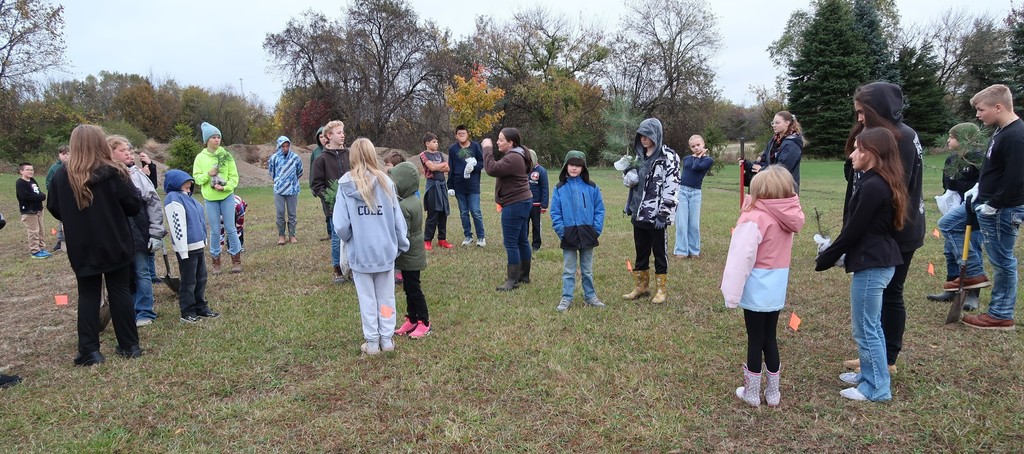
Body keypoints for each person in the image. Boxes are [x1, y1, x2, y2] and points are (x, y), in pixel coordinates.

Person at [816, 127, 908, 402]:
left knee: (866, 327)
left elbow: (854, 230)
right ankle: (868, 374)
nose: (853, 154)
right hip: (874, 260)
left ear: (872, 153)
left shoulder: (873, 186)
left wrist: (828, 255)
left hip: (873, 265)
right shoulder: (876, 181)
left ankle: (877, 387)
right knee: (869, 325)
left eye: (858, 149)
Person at [842, 82, 924, 375]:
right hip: (884, 230)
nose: (860, 119)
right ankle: (874, 356)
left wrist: (855, 234)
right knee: (880, 296)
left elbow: (887, 190)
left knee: (890, 294)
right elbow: (851, 173)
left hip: (896, 230)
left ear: (878, 109)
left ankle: (886, 359)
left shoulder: (898, 138)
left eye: (863, 113)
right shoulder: (880, 134)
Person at [47, 124, 144, 366]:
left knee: (88, 293)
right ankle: (129, 345)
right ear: (101, 143)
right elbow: (133, 205)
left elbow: (55, 208)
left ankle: (90, 350)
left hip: (83, 246)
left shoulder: (63, 175)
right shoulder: (114, 172)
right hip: (116, 242)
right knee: (119, 290)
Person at [721, 166, 804, 407]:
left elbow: (740, 259)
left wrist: (731, 293)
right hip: (776, 288)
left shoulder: (753, 218)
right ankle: (773, 393)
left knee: (755, 339)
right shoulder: (786, 217)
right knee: (770, 337)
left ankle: (751, 393)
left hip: (756, 287)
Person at [333, 138, 409, 355]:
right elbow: (397, 220)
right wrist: (401, 244)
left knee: (367, 299)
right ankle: (386, 340)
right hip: (384, 251)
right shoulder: (386, 182)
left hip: (360, 253)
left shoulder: (345, 184)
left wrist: (351, 239)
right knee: (386, 298)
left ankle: (373, 342)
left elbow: (340, 225)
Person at [959, 84, 1024, 330]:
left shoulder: (1016, 135)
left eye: (981, 109)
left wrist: (995, 204)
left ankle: (1001, 314)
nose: (977, 114)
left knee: (1003, 260)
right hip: (984, 201)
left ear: (998, 107)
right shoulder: (1000, 131)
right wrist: (979, 187)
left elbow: (1017, 176)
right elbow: (995, 168)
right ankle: (974, 274)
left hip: (1002, 209)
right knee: (950, 224)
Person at [622, 118, 680, 304]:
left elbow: (672, 186)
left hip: (656, 216)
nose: (643, 139)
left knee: (659, 253)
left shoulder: (668, 157)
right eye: (641, 135)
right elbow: (634, 184)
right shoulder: (639, 157)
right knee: (641, 251)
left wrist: (664, 213)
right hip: (639, 213)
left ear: (656, 135)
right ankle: (641, 287)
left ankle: (661, 290)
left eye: (647, 135)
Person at [109, 135, 165, 327]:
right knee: (126, 275)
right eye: (123, 150)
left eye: (129, 151)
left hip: (139, 234)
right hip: (117, 237)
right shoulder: (106, 176)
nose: (128, 154)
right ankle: (129, 310)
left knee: (142, 272)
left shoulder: (137, 175)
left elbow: (154, 203)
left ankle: (145, 311)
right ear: (110, 152)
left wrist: (156, 232)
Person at [929, 122, 985, 308]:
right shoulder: (951, 159)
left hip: (971, 213)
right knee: (950, 251)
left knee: (971, 249)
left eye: (952, 137)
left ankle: (973, 294)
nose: (948, 140)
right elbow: (947, 184)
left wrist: (959, 186)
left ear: (964, 139)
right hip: (954, 210)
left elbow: (979, 187)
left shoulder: (978, 159)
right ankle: (952, 288)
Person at [550, 150, 605, 311]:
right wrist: (562, 231)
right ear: (566, 166)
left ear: (583, 168)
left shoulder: (592, 187)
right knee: (569, 270)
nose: (574, 168)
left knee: (587, 270)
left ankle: (590, 296)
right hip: (569, 234)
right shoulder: (559, 188)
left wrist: (596, 230)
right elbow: (555, 212)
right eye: (571, 165)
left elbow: (599, 209)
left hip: (588, 233)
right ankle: (566, 297)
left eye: (578, 165)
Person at [164, 169, 220, 324]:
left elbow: (200, 221)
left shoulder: (190, 199)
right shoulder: (173, 198)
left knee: (201, 278)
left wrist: (204, 241)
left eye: (190, 187)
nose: (189, 190)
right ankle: (187, 311)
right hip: (186, 248)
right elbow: (177, 225)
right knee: (189, 281)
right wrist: (182, 249)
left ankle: (200, 306)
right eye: (186, 186)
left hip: (198, 246)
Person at [483, 128, 534, 291]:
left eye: (501, 139)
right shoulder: (519, 154)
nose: (498, 142)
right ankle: (524, 275)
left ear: (510, 143)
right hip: (524, 201)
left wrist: (487, 149)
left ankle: (512, 281)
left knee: (511, 242)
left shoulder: (513, 157)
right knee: (521, 240)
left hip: (515, 203)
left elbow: (491, 169)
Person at [192, 122, 243, 274]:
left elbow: (234, 178)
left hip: (226, 196)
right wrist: (208, 174)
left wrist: (225, 187)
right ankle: (216, 262)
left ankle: (236, 260)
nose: (216, 140)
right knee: (215, 230)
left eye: (218, 137)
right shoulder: (200, 158)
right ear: (207, 140)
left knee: (230, 228)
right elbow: (197, 179)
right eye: (213, 137)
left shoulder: (226, 156)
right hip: (210, 199)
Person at [391, 161, 431, 338]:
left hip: (410, 255)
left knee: (414, 289)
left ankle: (424, 322)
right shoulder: (413, 199)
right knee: (409, 287)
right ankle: (412, 319)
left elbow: (402, 234)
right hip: (413, 254)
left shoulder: (403, 205)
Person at [311, 120, 352, 284]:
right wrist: (330, 197)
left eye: (343, 132)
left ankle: (354, 268)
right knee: (337, 237)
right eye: (338, 132)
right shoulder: (321, 160)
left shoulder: (349, 154)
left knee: (354, 236)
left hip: (353, 204)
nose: (342, 135)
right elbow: (316, 185)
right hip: (334, 206)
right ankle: (338, 269)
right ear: (329, 136)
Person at [743, 111, 804, 192]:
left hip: (785, 190)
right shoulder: (774, 141)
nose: (774, 125)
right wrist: (747, 164)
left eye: (777, 123)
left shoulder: (792, 144)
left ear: (787, 123)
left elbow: (783, 169)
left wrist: (762, 170)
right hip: (770, 189)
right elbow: (766, 161)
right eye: (773, 123)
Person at [674, 134, 713, 258]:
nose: (696, 148)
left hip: (695, 193)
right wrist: (697, 156)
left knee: (694, 224)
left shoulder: (708, 160)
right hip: (683, 192)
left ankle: (694, 250)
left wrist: (700, 156)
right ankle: (681, 250)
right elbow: (691, 166)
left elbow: (697, 167)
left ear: (703, 144)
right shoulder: (686, 159)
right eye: (693, 146)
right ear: (690, 148)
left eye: (698, 145)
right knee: (682, 223)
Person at [447, 125, 486, 246]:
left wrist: (473, 168)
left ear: (467, 134)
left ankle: (481, 237)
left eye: (464, 133)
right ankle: (468, 236)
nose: (462, 136)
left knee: (475, 211)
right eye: (459, 134)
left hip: (473, 185)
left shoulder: (475, 146)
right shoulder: (453, 149)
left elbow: (481, 163)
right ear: (456, 135)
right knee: (463, 212)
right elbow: (451, 168)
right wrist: (450, 186)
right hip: (459, 185)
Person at [269, 135, 303, 245]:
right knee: (280, 212)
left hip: (292, 189)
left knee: (292, 213)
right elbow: (271, 172)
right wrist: (279, 181)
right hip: (279, 189)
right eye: (283, 146)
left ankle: (292, 235)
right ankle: (281, 235)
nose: (285, 148)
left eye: (287, 146)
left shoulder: (295, 158)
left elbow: (300, 171)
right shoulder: (274, 158)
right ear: (278, 146)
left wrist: (291, 181)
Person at [420, 132, 452, 250]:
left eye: (437, 141)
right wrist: (441, 165)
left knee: (443, 213)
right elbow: (431, 168)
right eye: (434, 142)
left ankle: (442, 239)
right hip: (432, 186)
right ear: (427, 143)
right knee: (433, 213)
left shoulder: (439, 154)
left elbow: (447, 168)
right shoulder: (424, 155)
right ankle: (427, 240)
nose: (436, 144)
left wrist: (439, 165)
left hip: (442, 185)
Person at [16, 163, 50, 259]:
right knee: (33, 231)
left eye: (32, 169)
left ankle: (41, 248)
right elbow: (25, 196)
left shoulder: (32, 181)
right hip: (29, 211)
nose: (30, 171)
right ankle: (35, 251)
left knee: (41, 230)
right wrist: (40, 197)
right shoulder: (20, 183)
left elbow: (38, 192)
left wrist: (41, 196)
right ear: (21, 171)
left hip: (38, 210)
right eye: (28, 169)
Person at [45, 144, 69, 252]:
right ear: (59, 155)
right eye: (63, 154)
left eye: (68, 154)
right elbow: (49, 183)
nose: (65, 156)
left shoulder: (74, 165)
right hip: (60, 199)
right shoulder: (54, 168)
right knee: (62, 221)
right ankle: (61, 241)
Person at [308, 126, 330, 240]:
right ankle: (330, 233)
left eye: (324, 136)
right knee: (326, 210)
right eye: (320, 137)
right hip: (321, 186)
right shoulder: (316, 152)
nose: (323, 139)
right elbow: (312, 169)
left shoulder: (333, 148)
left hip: (332, 183)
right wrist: (312, 185)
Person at [527, 149, 549, 253]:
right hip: (524, 203)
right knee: (523, 225)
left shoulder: (541, 171)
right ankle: (524, 244)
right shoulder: (522, 170)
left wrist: (544, 205)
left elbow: (545, 188)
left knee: (536, 225)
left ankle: (536, 245)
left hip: (536, 204)